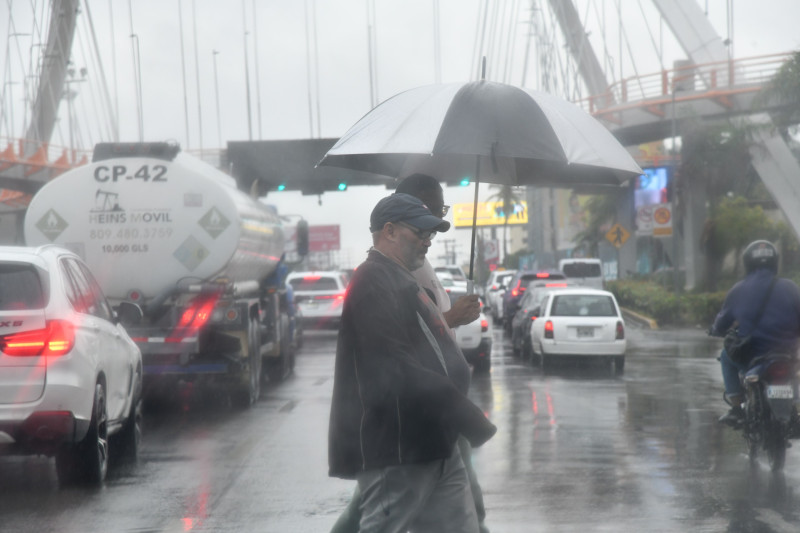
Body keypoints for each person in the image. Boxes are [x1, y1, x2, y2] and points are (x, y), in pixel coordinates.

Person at [328, 192, 497, 533]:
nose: (427, 241)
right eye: (419, 232)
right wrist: (461, 411)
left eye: (430, 233)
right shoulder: (373, 280)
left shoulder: (404, 279)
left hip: (437, 441)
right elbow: (394, 366)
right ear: (389, 231)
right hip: (399, 447)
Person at [709, 240, 800, 424]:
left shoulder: (738, 290)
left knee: (726, 356)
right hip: (787, 353)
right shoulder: (791, 287)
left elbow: (722, 322)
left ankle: (736, 409)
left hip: (752, 354)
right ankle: (795, 408)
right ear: (775, 262)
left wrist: (715, 330)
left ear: (747, 263)